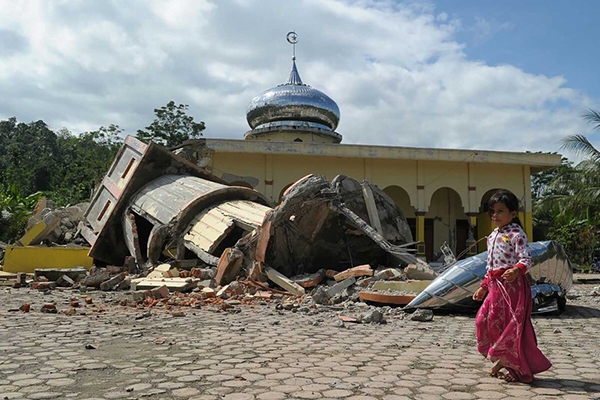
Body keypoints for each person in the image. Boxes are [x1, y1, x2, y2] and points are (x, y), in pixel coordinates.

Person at [472, 189, 551, 383]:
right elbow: (490, 266)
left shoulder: (517, 234)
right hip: (496, 287)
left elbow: (527, 259)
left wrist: (517, 270)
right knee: (483, 321)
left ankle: (511, 366)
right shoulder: (492, 236)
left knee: (510, 328)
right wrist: (484, 286)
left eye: (500, 211)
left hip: (512, 288)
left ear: (513, 213)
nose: (495, 215)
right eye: (493, 211)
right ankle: (503, 360)